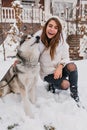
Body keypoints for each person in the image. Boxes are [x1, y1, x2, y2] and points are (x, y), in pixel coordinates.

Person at [36, 17, 79, 102]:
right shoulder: (39, 43)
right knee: (65, 84)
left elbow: (66, 58)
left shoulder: (61, 42)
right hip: (48, 73)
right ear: (46, 27)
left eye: (56, 28)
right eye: (50, 26)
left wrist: (60, 67)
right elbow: (32, 58)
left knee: (72, 66)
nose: (52, 29)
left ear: (58, 31)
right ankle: (52, 84)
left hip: (60, 70)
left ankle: (75, 94)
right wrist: (21, 61)